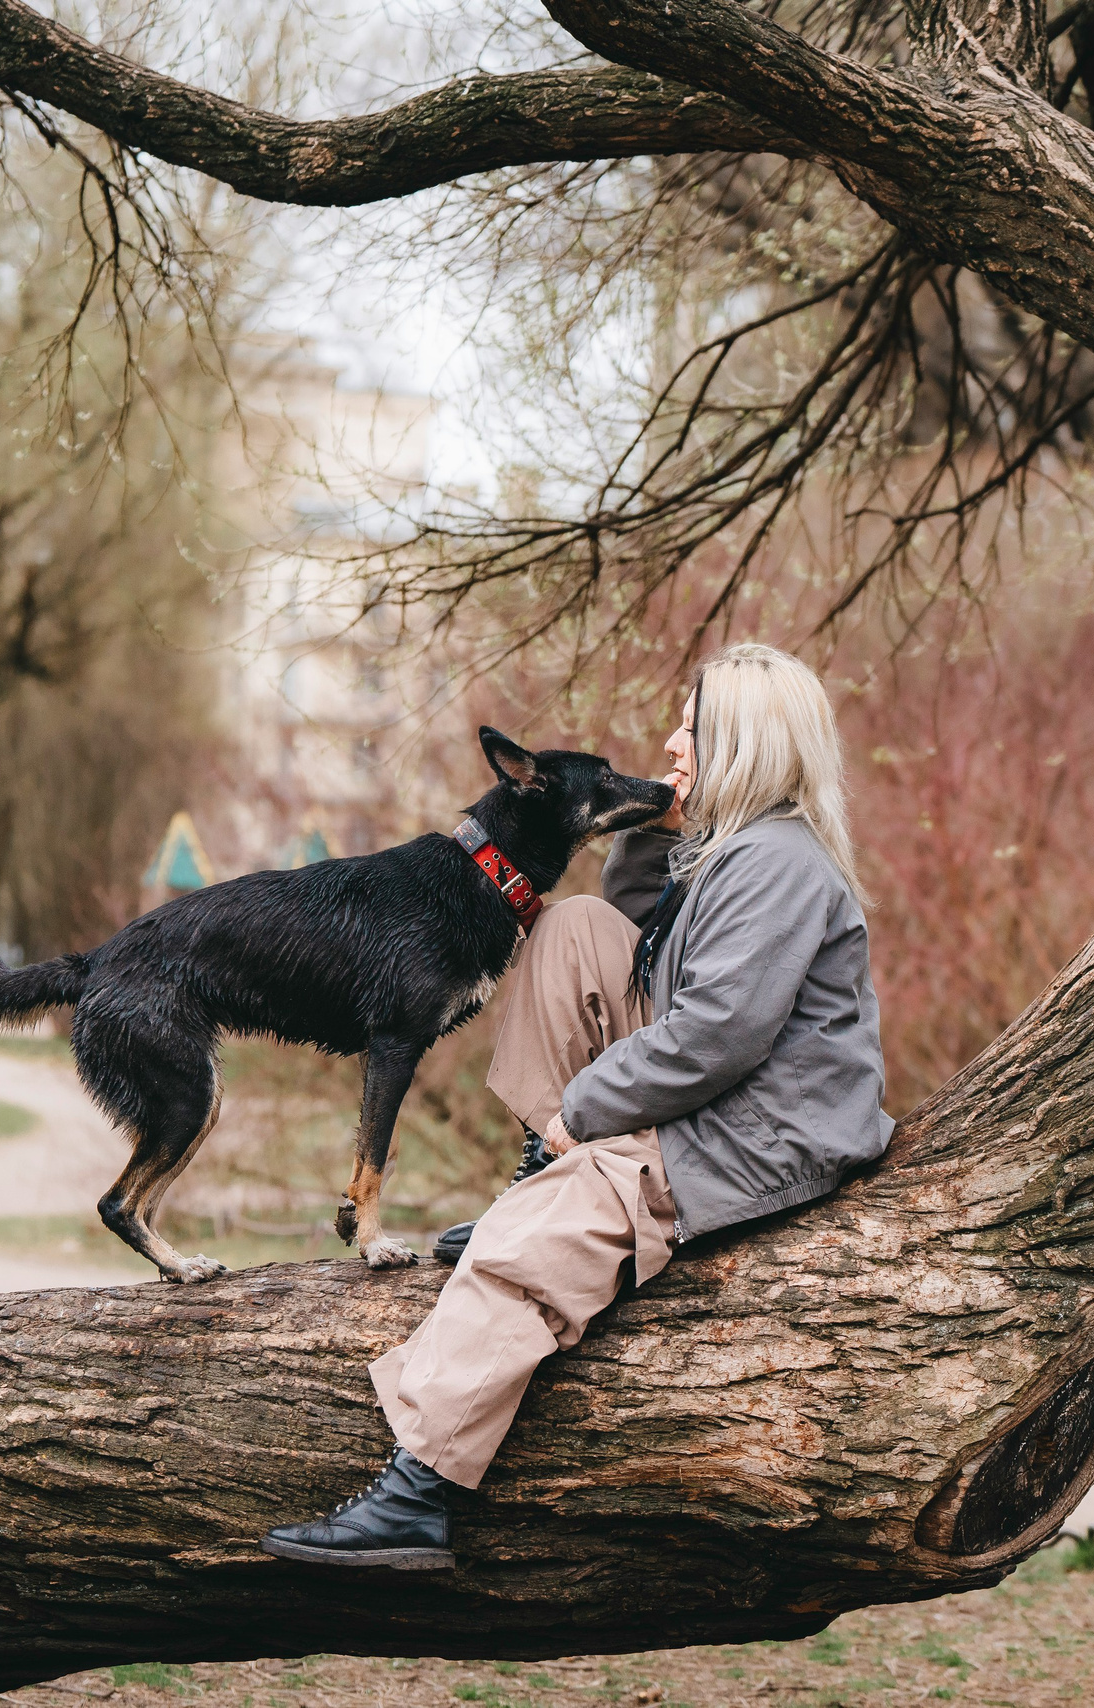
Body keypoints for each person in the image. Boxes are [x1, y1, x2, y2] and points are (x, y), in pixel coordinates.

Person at [262, 642, 892, 1570]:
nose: (673, 743)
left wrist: (589, 1111)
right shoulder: (735, 844)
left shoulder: (777, 866)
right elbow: (634, 926)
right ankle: (549, 1174)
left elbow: (715, 1035)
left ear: (748, 745)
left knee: (522, 1251)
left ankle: (416, 1495)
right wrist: (653, 818)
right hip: (721, 1093)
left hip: (758, 1133)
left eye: (694, 728)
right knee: (569, 930)